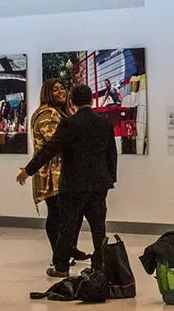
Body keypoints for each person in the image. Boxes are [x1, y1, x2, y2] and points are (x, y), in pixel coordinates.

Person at [17, 84, 118, 277]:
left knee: (68, 226)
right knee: (99, 226)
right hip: (99, 184)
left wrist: (28, 171)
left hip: (73, 184)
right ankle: (100, 266)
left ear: (72, 101)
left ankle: (62, 267)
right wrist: (110, 177)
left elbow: (49, 149)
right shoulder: (104, 123)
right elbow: (111, 153)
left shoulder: (69, 124)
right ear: (90, 100)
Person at [30, 79, 89, 274]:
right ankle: (59, 255)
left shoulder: (64, 112)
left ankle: (67, 250)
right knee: (57, 214)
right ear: (47, 93)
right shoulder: (47, 114)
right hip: (51, 174)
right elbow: (56, 142)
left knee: (70, 214)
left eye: (62, 88)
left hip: (65, 172)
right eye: (55, 90)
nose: (60, 92)